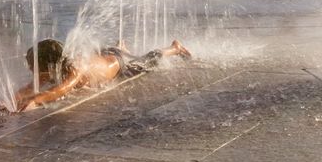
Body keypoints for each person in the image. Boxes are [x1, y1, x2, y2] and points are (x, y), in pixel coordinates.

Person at [13, 38, 192, 112]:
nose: (31, 71)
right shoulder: (55, 65)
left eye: (33, 67)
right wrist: (16, 97)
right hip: (105, 54)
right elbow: (32, 86)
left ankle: (174, 48)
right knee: (109, 52)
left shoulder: (77, 68)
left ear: (48, 64)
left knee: (148, 60)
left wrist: (35, 101)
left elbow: (61, 90)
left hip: (119, 64)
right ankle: (119, 46)